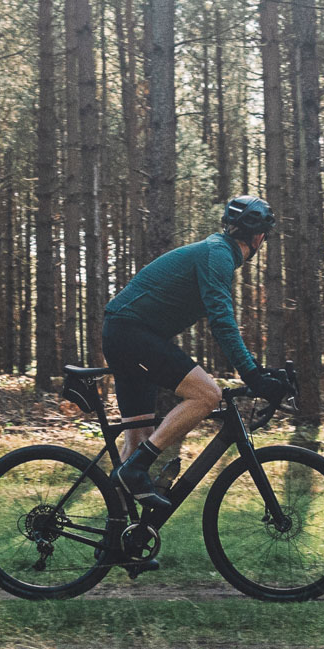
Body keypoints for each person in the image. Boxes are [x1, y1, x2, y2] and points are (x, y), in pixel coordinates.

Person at [102, 195, 290, 511]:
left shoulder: (216, 250)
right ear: (259, 237)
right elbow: (222, 319)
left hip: (124, 333)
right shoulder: (218, 255)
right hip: (130, 334)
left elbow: (222, 322)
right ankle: (135, 470)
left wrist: (256, 369)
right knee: (207, 395)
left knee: (138, 440)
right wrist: (252, 373)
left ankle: (119, 541)